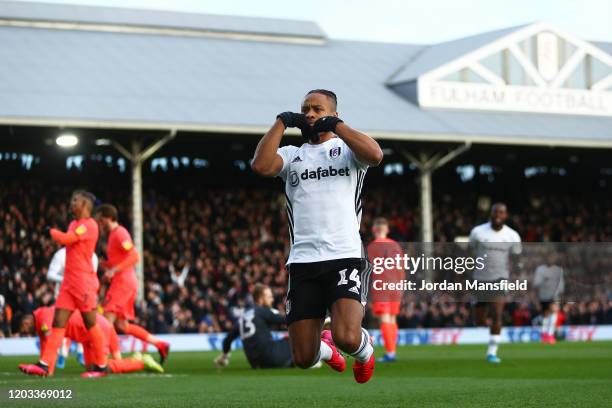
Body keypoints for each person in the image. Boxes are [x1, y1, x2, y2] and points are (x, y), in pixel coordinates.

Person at [251, 89, 383, 383]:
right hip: (303, 262)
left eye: (317, 109)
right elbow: (260, 165)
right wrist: (281, 122)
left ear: (333, 114)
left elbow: (375, 155)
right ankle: (327, 352)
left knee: (347, 337)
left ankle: (363, 352)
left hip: (344, 256)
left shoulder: (348, 151)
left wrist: (335, 126)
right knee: (303, 357)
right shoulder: (291, 155)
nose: (309, 114)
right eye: (304, 109)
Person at [19, 191, 108, 377]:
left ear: (85, 205)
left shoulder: (90, 225)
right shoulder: (73, 223)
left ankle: (101, 365)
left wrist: (50, 231)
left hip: (84, 283)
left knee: (90, 324)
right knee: (58, 322)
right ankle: (44, 364)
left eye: (76, 200)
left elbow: (68, 239)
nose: (72, 202)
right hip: (68, 283)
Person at [95, 204, 170, 364]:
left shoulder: (120, 233)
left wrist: (113, 270)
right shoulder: (113, 236)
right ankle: (160, 344)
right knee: (122, 326)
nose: (100, 224)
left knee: (106, 319)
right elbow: (121, 259)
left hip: (123, 282)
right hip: (123, 281)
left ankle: (102, 360)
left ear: (109, 218)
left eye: (101, 220)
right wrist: (106, 265)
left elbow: (135, 256)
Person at [32, 306, 163, 377]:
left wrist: (46, 369)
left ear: (27, 321)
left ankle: (141, 362)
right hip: (87, 336)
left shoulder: (45, 317)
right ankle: (134, 360)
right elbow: (47, 345)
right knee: (91, 370)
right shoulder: (43, 317)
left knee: (103, 368)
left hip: (98, 330)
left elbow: (51, 345)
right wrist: (48, 370)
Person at [469, 203, 522, 364]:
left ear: (505, 216)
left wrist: (516, 277)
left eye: (501, 212)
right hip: (479, 279)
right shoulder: (478, 232)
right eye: (495, 212)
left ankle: (492, 352)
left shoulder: (512, 236)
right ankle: (486, 325)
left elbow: (516, 258)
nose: (498, 215)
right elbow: (470, 253)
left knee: (497, 313)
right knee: (479, 320)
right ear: (490, 214)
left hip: (500, 279)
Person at [215, 284, 293, 369]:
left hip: (255, 363)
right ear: (260, 299)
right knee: (292, 339)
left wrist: (225, 355)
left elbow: (227, 340)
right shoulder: (264, 311)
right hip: (271, 357)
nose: (272, 300)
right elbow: (289, 320)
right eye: (269, 297)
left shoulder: (243, 317)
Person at [46, 247, 98, 368]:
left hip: (83, 296)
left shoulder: (92, 256)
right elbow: (50, 274)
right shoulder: (61, 254)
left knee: (83, 325)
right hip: (63, 295)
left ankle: (82, 353)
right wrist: (67, 280)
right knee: (61, 326)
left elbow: (92, 277)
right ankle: (61, 354)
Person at [367, 217, 404, 362]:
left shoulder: (372, 246)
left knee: (385, 318)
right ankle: (392, 350)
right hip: (395, 286)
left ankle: (390, 353)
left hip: (381, 286)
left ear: (374, 230)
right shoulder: (395, 245)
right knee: (392, 318)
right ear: (387, 230)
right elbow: (402, 268)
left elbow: (369, 270)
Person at [534, 251, 564, 344]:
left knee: (554, 312)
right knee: (546, 315)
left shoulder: (558, 270)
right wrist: (544, 280)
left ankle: (550, 334)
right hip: (544, 295)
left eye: (552, 258)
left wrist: (559, 291)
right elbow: (536, 283)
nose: (551, 260)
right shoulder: (540, 269)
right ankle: (544, 334)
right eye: (549, 258)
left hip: (554, 295)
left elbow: (561, 283)